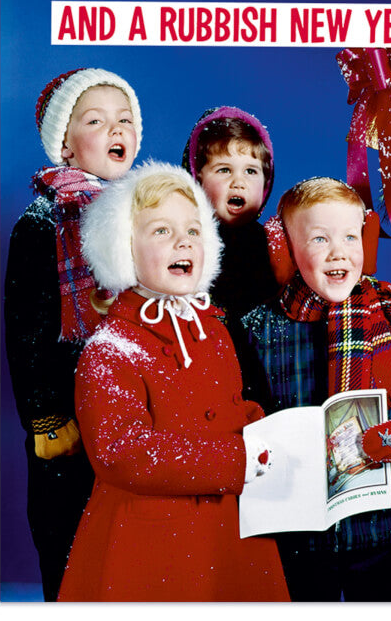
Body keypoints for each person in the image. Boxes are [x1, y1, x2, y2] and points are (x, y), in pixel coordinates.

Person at [57, 162, 290, 602]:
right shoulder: (110, 348)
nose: (183, 240)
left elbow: (228, 405)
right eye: (161, 231)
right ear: (122, 249)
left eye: (194, 230)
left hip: (227, 528)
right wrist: (235, 460)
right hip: (151, 539)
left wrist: (261, 427)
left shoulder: (213, 328)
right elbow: (121, 451)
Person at [240, 177, 391, 602]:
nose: (339, 252)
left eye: (350, 237)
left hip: (386, 532)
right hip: (295, 537)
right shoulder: (258, 328)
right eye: (320, 238)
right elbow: (240, 410)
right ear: (284, 248)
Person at [4, 68, 142, 601]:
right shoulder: (44, 222)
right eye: (96, 120)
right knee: (72, 555)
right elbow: (25, 331)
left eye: (125, 120)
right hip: (72, 418)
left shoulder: (147, 211)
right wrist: (47, 416)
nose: (116, 130)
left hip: (130, 413)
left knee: (127, 554)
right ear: (65, 143)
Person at [182, 106, 278, 323]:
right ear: (198, 179)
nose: (239, 182)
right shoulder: (188, 239)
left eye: (251, 171)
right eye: (224, 170)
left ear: (266, 183)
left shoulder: (273, 245)